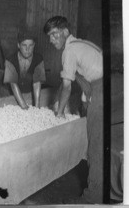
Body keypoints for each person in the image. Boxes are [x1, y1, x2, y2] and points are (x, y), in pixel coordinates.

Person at [43, 16, 103, 204]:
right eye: (49, 36)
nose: (52, 40)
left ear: (65, 32)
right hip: (104, 86)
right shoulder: (81, 44)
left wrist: (59, 112)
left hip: (101, 90)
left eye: (54, 34)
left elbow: (67, 87)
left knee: (96, 147)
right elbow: (77, 79)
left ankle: (92, 198)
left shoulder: (69, 50)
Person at [3, 29, 46, 109]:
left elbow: (37, 83)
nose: (27, 49)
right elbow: (13, 84)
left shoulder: (38, 59)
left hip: (26, 93)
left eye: (31, 45)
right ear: (18, 45)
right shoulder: (10, 60)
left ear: (34, 45)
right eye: (24, 45)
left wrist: (37, 108)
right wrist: (24, 106)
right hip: (9, 93)